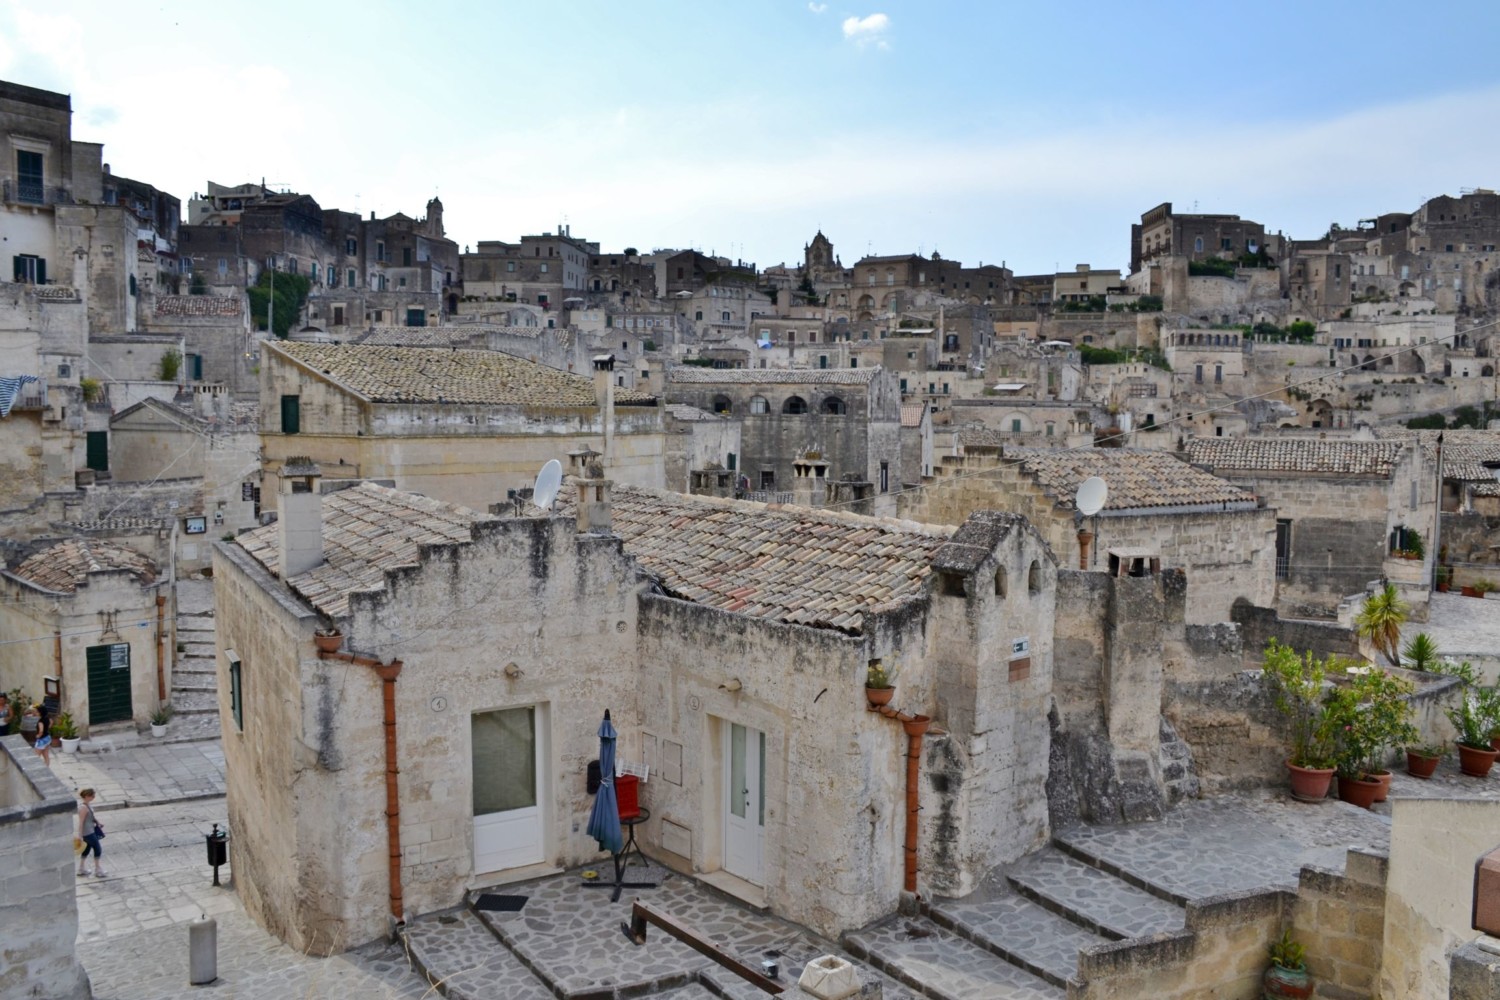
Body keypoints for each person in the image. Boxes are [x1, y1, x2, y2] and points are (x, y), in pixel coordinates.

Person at [77, 788, 106, 877]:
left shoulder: (87, 805)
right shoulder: (83, 808)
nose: (94, 797)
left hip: (90, 830)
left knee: (86, 849)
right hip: (88, 832)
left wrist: (98, 822)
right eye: (92, 796)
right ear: (86, 796)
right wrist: (80, 835)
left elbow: (91, 816)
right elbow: (81, 822)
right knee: (97, 848)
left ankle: (81, 869)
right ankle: (98, 870)